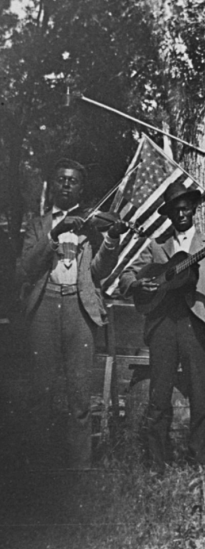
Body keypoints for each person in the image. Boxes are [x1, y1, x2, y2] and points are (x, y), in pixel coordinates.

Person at [20, 158, 128, 469]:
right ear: (52, 185)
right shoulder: (39, 223)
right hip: (44, 305)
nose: (67, 185)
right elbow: (27, 267)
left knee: (80, 393)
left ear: (81, 188)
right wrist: (56, 233)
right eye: (61, 179)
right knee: (41, 390)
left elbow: (99, 272)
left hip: (79, 308)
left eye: (73, 181)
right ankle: (38, 466)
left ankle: (80, 468)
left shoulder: (90, 223)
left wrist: (112, 239)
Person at [119, 181, 205, 472]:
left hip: (195, 324)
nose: (181, 214)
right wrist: (137, 284)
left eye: (185, 208)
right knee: (159, 395)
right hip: (163, 324)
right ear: (168, 214)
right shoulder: (157, 244)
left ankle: (200, 463)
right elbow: (127, 275)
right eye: (175, 210)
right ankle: (156, 462)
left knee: (200, 394)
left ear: (193, 208)